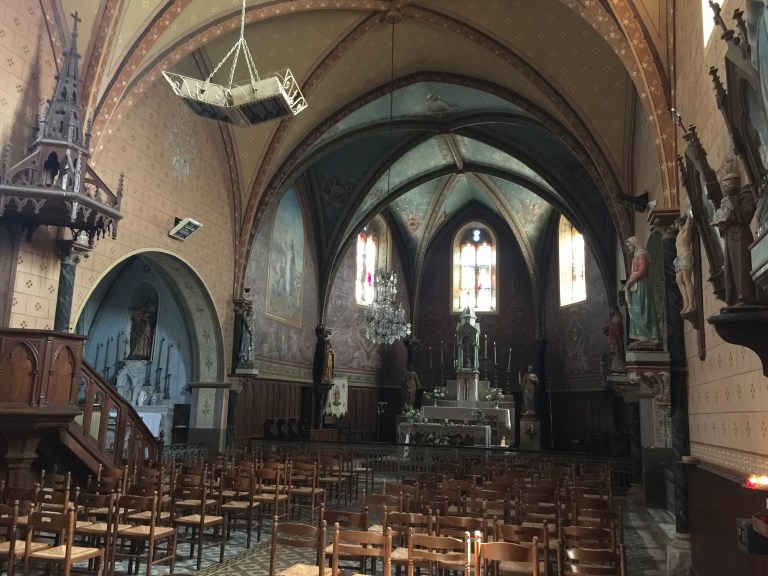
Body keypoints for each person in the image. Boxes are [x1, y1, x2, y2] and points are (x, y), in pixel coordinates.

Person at [713, 173, 757, 307]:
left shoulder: (746, 195)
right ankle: (734, 298)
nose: (726, 187)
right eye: (724, 185)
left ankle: (745, 296)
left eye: (729, 184)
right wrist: (721, 221)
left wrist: (732, 208)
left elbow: (747, 215)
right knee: (730, 267)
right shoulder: (727, 199)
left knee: (742, 265)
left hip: (741, 235)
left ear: (736, 183)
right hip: (730, 236)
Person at [624, 236, 661, 349]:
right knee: (635, 310)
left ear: (635, 244)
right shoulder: (636, 256)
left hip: (641, 286)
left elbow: (643, 270)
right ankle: (642, 336)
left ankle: (648, 336)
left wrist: (631, 280)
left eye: (629, 245)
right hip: (636, 287)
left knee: (641, 310)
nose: (628, 248)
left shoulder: (642, 255)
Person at [674, 215, 696, 315]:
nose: (674, 225)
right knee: (679, 280)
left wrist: (688, 214)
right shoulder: (679, 234)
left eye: (675, 223)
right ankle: (686, 304)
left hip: (685, 255)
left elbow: (690, 219)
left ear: (679, 223)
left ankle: (691, 305)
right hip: (679, 258)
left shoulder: (686, 229)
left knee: (687, 279)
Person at [606, 308, 626, 373]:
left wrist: (610, 329)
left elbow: (617, 330)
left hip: (616, 339)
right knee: (614, 354)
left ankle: (619, 366)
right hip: (613, 339)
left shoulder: (617, 319)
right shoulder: (615, 318)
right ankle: (616, 366)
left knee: (617, 353)